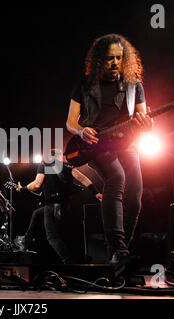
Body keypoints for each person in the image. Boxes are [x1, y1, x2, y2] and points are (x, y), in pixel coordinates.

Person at [66, 33, 153, 264]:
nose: (115, 63)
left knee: (134, 196)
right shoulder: (84, 85)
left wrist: (148, 124)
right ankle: (118, 248)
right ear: (98, 60)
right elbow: (70, 122)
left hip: (128, 144)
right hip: (97, 145)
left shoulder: (135, 85)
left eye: (119, 58)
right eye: (109, 58)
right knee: (117, 177)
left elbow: (144, 118)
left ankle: (120, 252)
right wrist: (81, 131)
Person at [16, 149, 102, 264]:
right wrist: (96, 192)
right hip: (64, 206)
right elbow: (82, 178)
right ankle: (26, 240)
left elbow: (36, 184)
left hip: (52, 205)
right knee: (37, 213)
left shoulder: (44, 165)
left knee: (52, 237)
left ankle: (69, 262)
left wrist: (23, 189)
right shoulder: (68, 166)